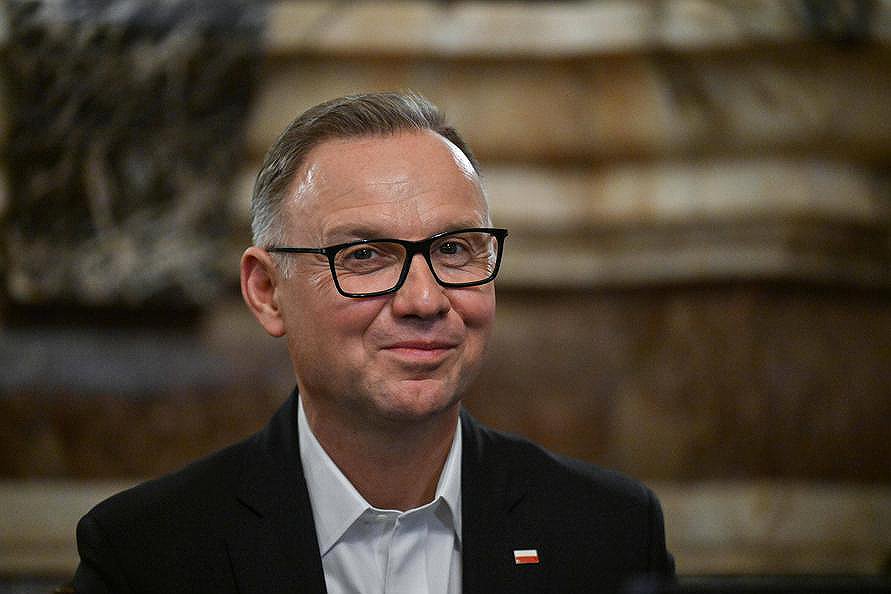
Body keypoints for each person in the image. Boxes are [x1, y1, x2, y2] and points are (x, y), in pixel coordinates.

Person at [73, 91, 675, 593]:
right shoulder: (145, 555)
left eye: (454, 249)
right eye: (364, 256)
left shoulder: (609, 533)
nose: (425, 300)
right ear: (267, 291)